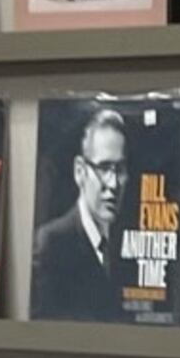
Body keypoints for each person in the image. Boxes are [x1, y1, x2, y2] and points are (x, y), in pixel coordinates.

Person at [31, 107, 133, 319]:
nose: (113, 183)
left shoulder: (125, 248)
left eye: (120, 169)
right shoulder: (51, 244)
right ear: (80, 171)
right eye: (104, 168)